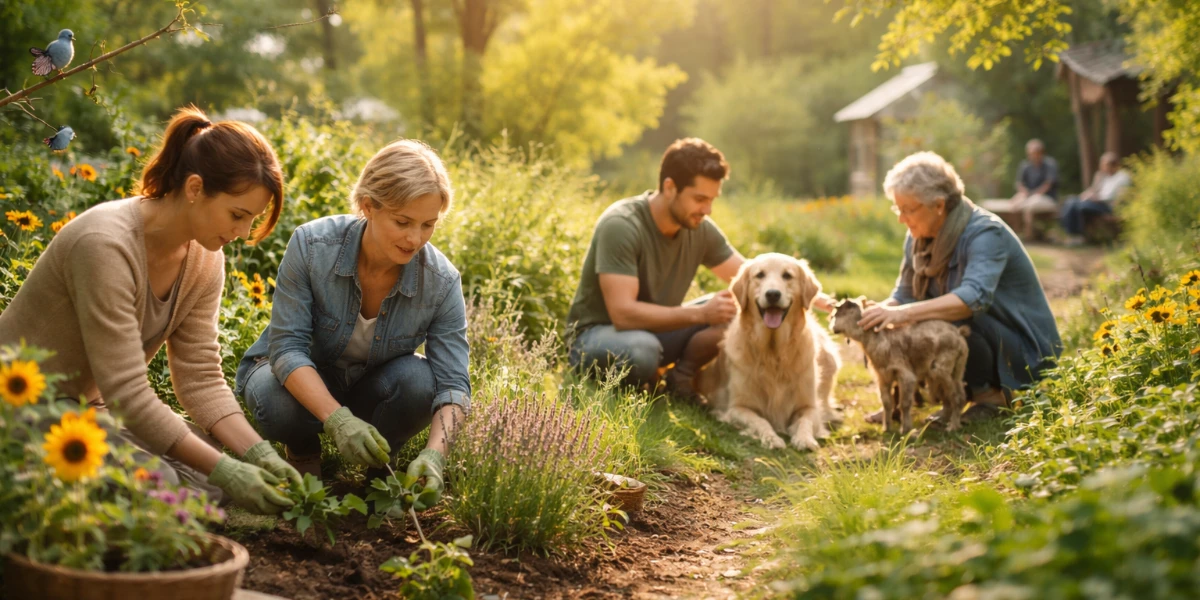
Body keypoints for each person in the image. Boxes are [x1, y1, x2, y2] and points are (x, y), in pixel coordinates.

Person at [0, 106, 299, 514]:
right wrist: (229, 470)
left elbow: (200, 379)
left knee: (207, 478)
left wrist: (259, 455)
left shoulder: (206, 259)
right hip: (20, 408)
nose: (243, 233)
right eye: (237, 215)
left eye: (252, 220)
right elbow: (127, 392)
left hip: (91, 410)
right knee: (168, 486)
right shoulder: (105, 244)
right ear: (195, 188)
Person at [235, 140, 468, 510]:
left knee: (422, 381)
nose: (415, 239)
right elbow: (287, 349)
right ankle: (304, 451)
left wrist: (436, 456)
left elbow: (453, 384)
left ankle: (380, 470)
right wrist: (338, 421)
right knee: (275, 398)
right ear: (368, 206)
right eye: (403, 222)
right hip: (301, 385)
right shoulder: (312, 246)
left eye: (428, 225)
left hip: (367, 389)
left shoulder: (440, 281)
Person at [859, 151, 1062, 424]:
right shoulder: (918, 237)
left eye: (908, 209)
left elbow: (972, 299)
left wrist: (903, 314)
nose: (901, 218)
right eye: (898, 208)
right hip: (979, 333)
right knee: (900, 324)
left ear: (939, 205)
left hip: (1018, 348)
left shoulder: (985, 233)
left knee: (936, 323)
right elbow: (905, 294)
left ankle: (991, 396)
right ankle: (928, 397)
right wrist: (879, 313)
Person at [568, 138, 752, 398]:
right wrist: (700, 315)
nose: (707, 210)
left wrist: (811, 294)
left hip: (656, 334)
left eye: (712, 200)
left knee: (736, 311)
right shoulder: (622, 224)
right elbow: (623, 314)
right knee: (642, 351)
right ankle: (647, 376)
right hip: (598, 337)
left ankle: (679, 379)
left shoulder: (698, 227)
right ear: (670, 187)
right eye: (700, 198)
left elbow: (752, 277)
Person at [1059, 152, 1131, 246]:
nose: (1101, 167)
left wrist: (1097, 198)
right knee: (1071, 201)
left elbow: (1116, 196)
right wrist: (1087, 193)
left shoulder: (1122, 177)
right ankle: (1073, 234)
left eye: (1103, 165)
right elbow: (1094, 190)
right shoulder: (1105, 176)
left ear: (1112, 165)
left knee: (1079, 205)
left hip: (1108, 206)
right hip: (1096, 202)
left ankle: (1077, 235)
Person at [1010, 139, 1060, 239]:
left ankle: (1030, 236)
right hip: (1029, 195)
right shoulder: (1025, 165)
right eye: (1030, 153)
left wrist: (1032, 194)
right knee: (1014, 203)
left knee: (1030, 205)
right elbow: (1019, 184)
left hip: (1046, 197)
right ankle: (1015, 234)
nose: (1032, 156)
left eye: (1035, 153)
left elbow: (1048, 184)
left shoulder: (1050, 164)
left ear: (1041, 152)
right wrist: (1024, 192)